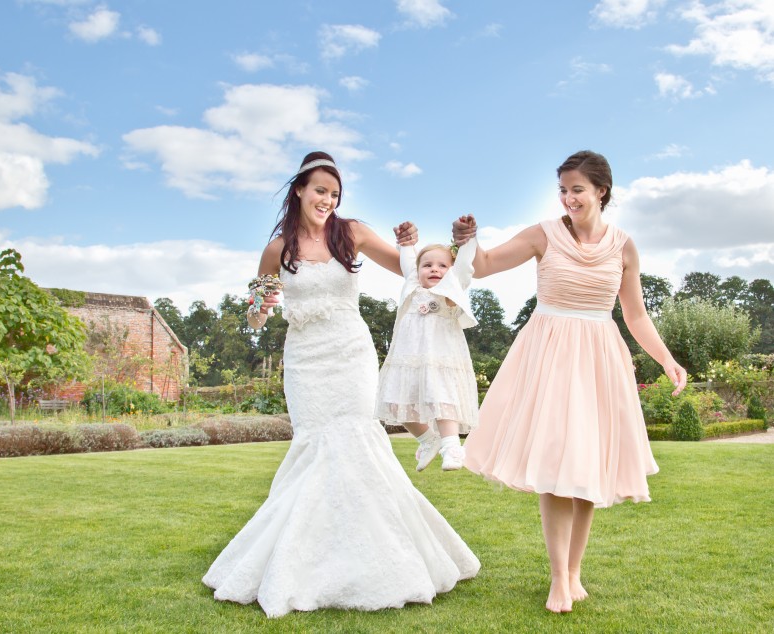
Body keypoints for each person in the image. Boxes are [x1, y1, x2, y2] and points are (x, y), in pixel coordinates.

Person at [203, 151, 481, 618]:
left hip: (351, 353)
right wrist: (260, 306)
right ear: (299, 191)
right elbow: (254, 315)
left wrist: (448, 247)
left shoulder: (350, 232)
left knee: (358, 439)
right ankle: (308, 560)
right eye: (320, 191)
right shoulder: (277, 250)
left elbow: (414, 271)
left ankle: (383, 558)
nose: (327, 200)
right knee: (315, 446)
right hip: (306, 361)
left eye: (334, 194)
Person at [453, 150, 687, 614]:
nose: (568, 198)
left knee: (585, 470)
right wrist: (466, 241)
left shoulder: (624, 246)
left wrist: (666, 359)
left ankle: (575, 573)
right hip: (549, 354)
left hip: (600, 357)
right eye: (562, 190)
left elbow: (635, 315)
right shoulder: (544, 234)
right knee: (557, 466)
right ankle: (558, 578)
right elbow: (485, 265)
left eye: (576, 189)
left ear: (601, 190)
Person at [374, 241, 481, 472]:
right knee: (393, 402)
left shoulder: (451, 290)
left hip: (440, 359)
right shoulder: (412, 287)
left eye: (442, 265)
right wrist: (406, 244)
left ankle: (452, 447)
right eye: (427, 265)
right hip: (408, 360)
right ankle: (427, 439)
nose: (434, 269)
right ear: (417, 271)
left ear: (451, 272)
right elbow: (408, 264)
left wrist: (468, 241)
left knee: (442, 399)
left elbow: (463, 265)